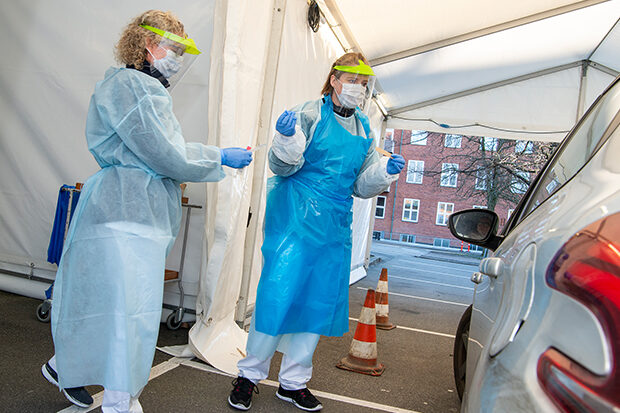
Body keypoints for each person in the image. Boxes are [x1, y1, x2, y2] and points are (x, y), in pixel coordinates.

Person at [41, 10, 252, 413]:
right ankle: (120, 401)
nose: (176, 58)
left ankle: (63, 365)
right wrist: (218, 157)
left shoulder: (133, 87)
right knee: (131, 311)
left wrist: (208, 158)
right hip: (127, 212)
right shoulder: (135, 87)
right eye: (172, 48)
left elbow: (160, 150)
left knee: (106, 303)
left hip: (125, 209)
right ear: (147, 44)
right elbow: (165, 153)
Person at [228, 52, 405, 411]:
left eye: (363, 83)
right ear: (334, 79)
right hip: (295, 219)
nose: (358, 88)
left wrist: (383, 173)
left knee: (317, 303)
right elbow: (282, 166)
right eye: (351, 80)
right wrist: (286, 138)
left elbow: (361, 185)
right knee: (277, 296)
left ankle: (293, 382)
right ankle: (249, 376)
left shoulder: (364, 129)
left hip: (333, 227)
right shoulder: (309, 114)